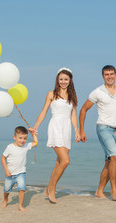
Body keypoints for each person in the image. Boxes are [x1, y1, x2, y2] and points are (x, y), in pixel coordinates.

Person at [79, 65, 116, 201]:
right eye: (107, 74)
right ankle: (114, 191)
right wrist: (81, 130)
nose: (109, 76)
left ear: (115, 75)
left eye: (112, 74)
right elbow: (83, 110)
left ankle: (99, 191)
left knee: (110, 162)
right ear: (103, 76)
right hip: (103, 128)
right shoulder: (97, 92)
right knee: (115, 157)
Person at [33, 67, 80, 203]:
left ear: (70, 80)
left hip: (67, 130)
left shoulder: (73, 96)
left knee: (59, 162)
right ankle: (52, 189)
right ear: (57, 80)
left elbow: (73, 116)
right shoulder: (51, 94)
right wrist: (35, 127)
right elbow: (44, 112)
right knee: (65, 161)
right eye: (61, 79)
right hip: (55, 127)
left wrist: (76, 130)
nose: (63, 82)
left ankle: (48, 188)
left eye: (66, 79)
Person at [1, 126, 38, 212]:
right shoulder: (9, 147)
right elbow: (3, 158)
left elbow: (35, 142)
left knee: (22, 189)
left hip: (21, 173)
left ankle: (20, 205)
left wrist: (33, 134)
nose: (22, 140)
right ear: (15, 137)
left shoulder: (26, 146)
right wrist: (6, 170)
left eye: (25, 138)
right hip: (10, 173)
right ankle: (5, 199)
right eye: (20, 138)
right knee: (7, 189)